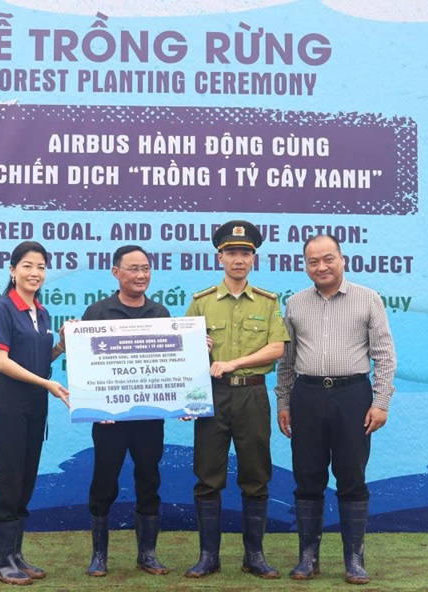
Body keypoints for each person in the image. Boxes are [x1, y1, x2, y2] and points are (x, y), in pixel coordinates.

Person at [276, 234, 396, 585]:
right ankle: (307, 558)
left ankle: (354, 560)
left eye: (328, 259)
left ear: (343, 260)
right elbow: (287, 360)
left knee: (352, 477)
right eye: (313, 261)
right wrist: (284, 401)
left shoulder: (368, 299)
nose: (321, 266)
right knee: (307, 478)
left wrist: (381, 402)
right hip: (307, 397)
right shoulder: (296, 304)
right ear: (305, 266)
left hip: (353, 396)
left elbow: (385, 355)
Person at [183, 220, 289, 579]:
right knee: (208, 476)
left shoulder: (268, 302)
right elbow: (182, 353)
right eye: (231, 253)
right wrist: (197, 351)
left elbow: (277, 347)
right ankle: (208, 557)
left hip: (252, 394)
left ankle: (254, 556)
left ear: (253, 258)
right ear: (220, 257)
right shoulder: (200, 303)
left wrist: (235, 362)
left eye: (245, 253)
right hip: (211, 397)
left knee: (256, 475)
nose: (238, 259)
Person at [76, 245, 170, 577]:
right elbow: (83, 365)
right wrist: (93, 404)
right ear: (116, 272)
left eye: (145, 268)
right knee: (104, 482)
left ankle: (147, 554)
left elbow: (172, 368)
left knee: (149, 480)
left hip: (148, 418)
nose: (141, 275)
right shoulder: (98, 312)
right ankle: (99, 556)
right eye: (133, 269)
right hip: (109, 420)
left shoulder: (160, 314)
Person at [0, 240, 70, 585]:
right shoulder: (2, 309)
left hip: (36, 404)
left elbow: (38, 360)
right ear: (12, 270)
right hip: (9, 404)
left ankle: (17, 556)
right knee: (9, 479)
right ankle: (2, 560)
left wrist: (62, 345)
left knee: (26, 479)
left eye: (41, 267)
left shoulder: (43, 312)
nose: (35, 273)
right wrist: (48, 384)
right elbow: (1, 361)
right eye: (28, 266)